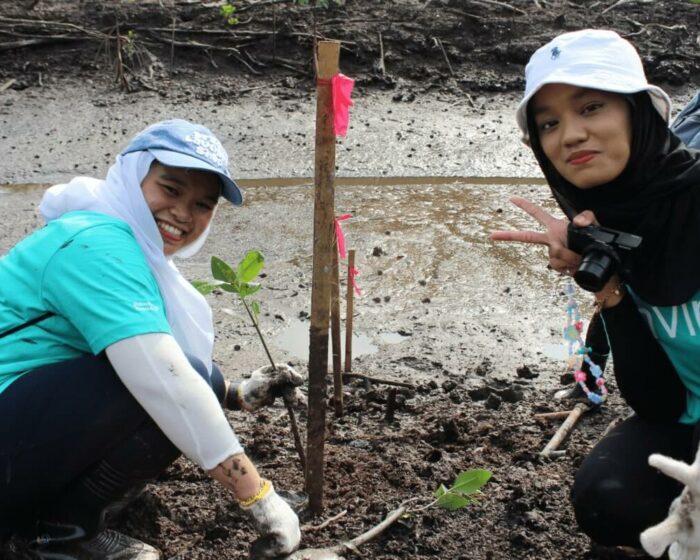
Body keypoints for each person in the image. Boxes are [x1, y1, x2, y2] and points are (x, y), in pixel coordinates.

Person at [0, 119, 304, 559]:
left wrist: (236, 393)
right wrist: (258, 497)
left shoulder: (118, 238)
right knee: (163, 384)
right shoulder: (96, 245)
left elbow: (171, 361)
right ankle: (60, 536)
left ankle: (50, 521)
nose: (184, 213)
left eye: (203, 204)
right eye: (171, 189)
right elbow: (166, 380)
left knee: (184, 373)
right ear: (133, 175)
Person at [490, 29, 700, 557]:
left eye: (591, 107)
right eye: (550, 123)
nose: (571, 135)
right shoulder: (603, 229)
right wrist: (608, 285)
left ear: (638, 113)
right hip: (689, 419)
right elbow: (657, 402)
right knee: (610, 498)